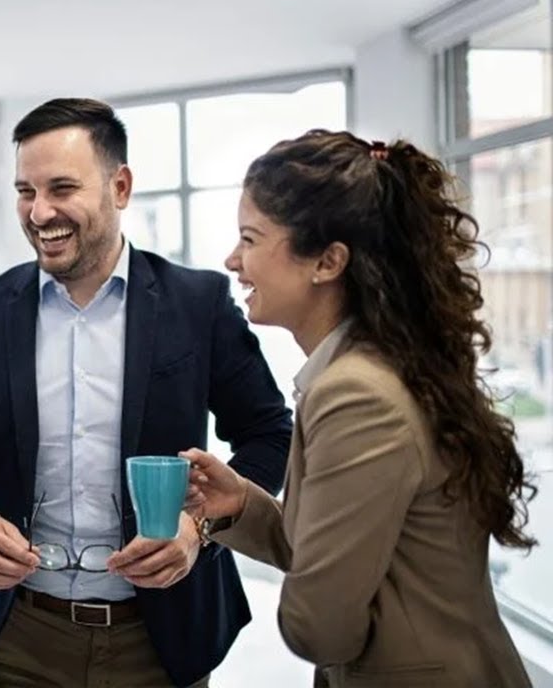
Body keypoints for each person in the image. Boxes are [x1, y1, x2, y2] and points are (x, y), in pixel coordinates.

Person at [0, 98, 292, 687]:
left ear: (120, 187)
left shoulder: (199, 304)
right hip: (17, 636)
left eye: (61, 188)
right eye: (25, 191)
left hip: (164, 639)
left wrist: (198, 529)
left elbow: (270, 434)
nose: (40, 212)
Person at [184, 130, 535, 687]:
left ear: (327, 261)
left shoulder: (356, 395)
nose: (232, 260)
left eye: (250, 239)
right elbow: (348, 554)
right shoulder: (381, 367)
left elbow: (318, 626)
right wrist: (240, 505)